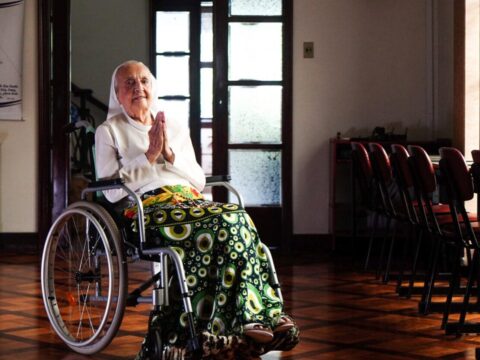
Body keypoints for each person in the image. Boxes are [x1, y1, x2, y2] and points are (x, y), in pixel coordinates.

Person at [95, 60, 298, 358]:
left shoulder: (173, 126)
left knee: (236, 217)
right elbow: (110, 191)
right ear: (117, 94)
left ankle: (258, 315)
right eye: (129, 83)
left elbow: (198, 179)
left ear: (153, 87)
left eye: (144, 81)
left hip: (188, 201)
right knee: (220, 221)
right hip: (146, 207)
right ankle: (232, 321)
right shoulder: (109, 131)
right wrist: (148, 157)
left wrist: (169, 154)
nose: (138, 87)